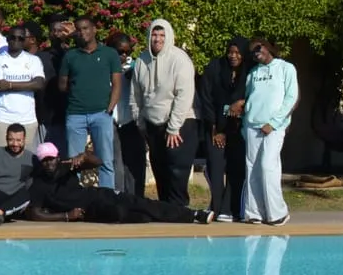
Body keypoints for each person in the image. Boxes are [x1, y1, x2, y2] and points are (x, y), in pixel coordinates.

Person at [25, 143, 210, 225]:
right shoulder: (39, 183)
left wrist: (84, 156)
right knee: (122, 213)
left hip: (98, 194)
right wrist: (66, 216)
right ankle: (153, 217)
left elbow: (97, 163)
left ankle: (194, 214)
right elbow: (35, 213)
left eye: (51, 159)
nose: (49, 163)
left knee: (141, 203)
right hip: (87, 211)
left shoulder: (66, 166)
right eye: (45, 160)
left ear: (58, 158)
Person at [131, 18, 199, 207]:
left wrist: (174, 127)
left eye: (162, 35)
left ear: (168, 36)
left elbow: (184, 95)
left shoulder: (180, 59)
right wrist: (140, 121)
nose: (158, 39)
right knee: (159, 168)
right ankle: (165, 210)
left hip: (180, 124)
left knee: (176, 169)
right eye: (154, 34)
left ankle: (179, 210)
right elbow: (135, 95)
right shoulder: (142, 61)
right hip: (153, 124)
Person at [58, 17, 123, 191]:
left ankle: (107, 197)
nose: (83, 32)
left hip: (101, 114)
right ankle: (74, 199)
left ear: (94, 29)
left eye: (86, 28)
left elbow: (117, 83)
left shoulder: (109, 54)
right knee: (74, 161)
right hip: (75, 114)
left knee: (105, 160)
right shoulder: (70, 56)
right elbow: (62, 85)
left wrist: (109, 109)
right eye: (79, 29)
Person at [242, 37, 299, 227]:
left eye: (258, 48)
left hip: (273, 127)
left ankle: (278, 213)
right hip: (252, 126)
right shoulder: (253, 73)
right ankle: (254, 213)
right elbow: (248, 98)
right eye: (252, 52)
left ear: (267, 47)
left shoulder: (286, 68)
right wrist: (245, 125)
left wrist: (274, 122)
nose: (256, 52)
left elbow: (292, 98)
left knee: (268, 166)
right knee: (252, 169)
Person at [197, 37, 254, 222]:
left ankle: (230, 208)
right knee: (215, 166)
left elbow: (254, 98)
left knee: (236, 167)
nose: (233, 56)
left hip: (238, 129)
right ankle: (216, 206)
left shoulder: (249, 72)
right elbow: (206, 98)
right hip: (214, 127)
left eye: (238, 52)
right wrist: (215, 129)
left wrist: (242, 104)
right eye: (230, 52)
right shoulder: (215, 68)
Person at [0, 25, 45, 149]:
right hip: (2, 118)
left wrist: (8, 84)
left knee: (27, 163)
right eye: (13, 37)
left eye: (20, 38)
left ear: (24, 40)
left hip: (27, 119)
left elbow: (39, 84)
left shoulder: (34, 60)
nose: (16, 41)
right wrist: (28, 84)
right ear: (7, 39)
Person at [109, 31, 147, 199]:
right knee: (115, 164)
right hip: (112, 120)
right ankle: (118, 198)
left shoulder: (136, 67)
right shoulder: (105, 66)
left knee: (134, 164)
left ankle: (136, 199)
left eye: (127, 52)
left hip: (132, 121)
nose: (123, 56)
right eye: (119, 52)